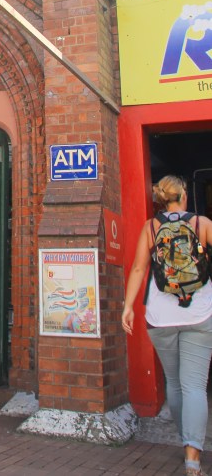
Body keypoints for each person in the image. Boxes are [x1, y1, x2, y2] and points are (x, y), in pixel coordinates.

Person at [122, 175, 212, 476]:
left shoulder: (150, 227)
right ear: (183, 195)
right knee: (195, 386)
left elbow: (138, 268)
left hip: (160, 318)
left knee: (174, 384)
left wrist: (128, 307)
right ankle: (192, 456)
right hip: (199, 314)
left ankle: (185, 434)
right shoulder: (203, 223)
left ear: (161, 198)